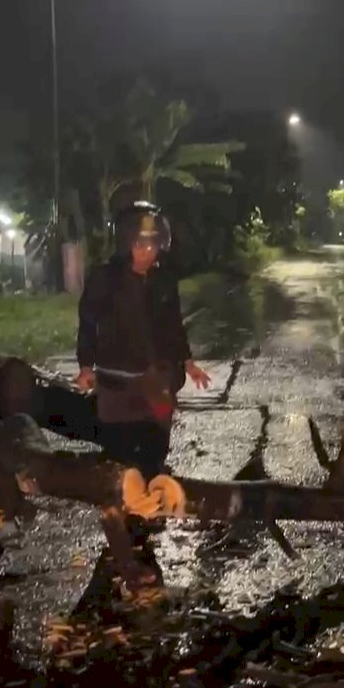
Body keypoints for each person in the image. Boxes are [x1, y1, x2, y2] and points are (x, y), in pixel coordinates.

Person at [76, 201, 211, 480]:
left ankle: (153, 493)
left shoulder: (163, 279)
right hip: (116, 380)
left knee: (158, 436)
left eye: (153, 244)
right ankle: (121, 506)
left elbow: (173, 323)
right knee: (119, 451)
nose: (147, 252)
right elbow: (88, 322)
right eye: (139, 244)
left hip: (156, 380)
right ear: (124, 243)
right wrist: (86, 366)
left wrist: (188, 363)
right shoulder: (104, 278)